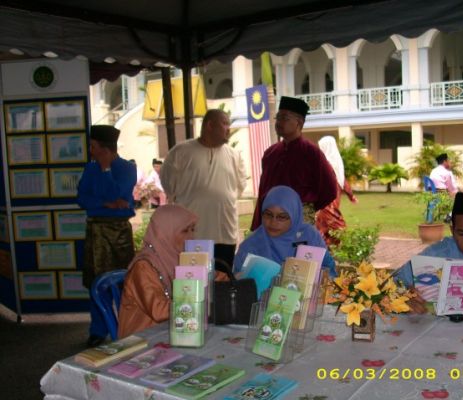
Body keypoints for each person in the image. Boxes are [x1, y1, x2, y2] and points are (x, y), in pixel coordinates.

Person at [161, 109, 246, 272]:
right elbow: (169, 185)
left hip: (225, 235)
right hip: (193, 235)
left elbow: (239, 188)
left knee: (222, 279)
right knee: (192, 280)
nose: (228, 128)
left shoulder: (234, 155)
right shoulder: (181, 152)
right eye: (224, 123)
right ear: (210, 125)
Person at [77, 125, 137, 347]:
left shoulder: (127, 168)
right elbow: (82, 199)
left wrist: (105, 170)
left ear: (105, 149)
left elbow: (117, 194)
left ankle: (126, 327)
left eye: (93, 147)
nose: (90, 151)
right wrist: (106, 204)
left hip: (119, 231)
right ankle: (98, 330)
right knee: (97, 282)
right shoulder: (89, 168)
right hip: (96, 231)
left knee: (122, 282)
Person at [251, 96, 337, 230]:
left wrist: (305, 208)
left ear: (299, 123)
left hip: (299, 221)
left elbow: (330, 189)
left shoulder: (311, 152)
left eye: (284, 118)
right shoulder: (270, 153)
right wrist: (257, 225)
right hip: (270, 221)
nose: (279, 123)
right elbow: (263, 190)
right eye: (278, 118)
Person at [118, 204, 198, 338]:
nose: (192, 237)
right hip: (143, 338)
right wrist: (200, 300)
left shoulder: (177, 258)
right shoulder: (143, 267)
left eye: (193, 229)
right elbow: (158, 310)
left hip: (174, 329)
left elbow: (216, 278)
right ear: (164, 233)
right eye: (185, 231)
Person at [234, 185, 336, 277]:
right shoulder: (251, 245)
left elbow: (328, 268)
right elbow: (239, 283)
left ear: (294, 216)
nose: (273, 222)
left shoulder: (309, 236)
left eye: (282, 217)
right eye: (268, 214)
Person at [315, 136, 357, 247]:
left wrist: (351, 196)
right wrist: (351, 196)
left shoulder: (328, 163)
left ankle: (325, 252)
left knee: (327, 231)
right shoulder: (332, 163)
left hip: (328, 204)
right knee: (339, 228)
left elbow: (342, 180)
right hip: (327, 205)